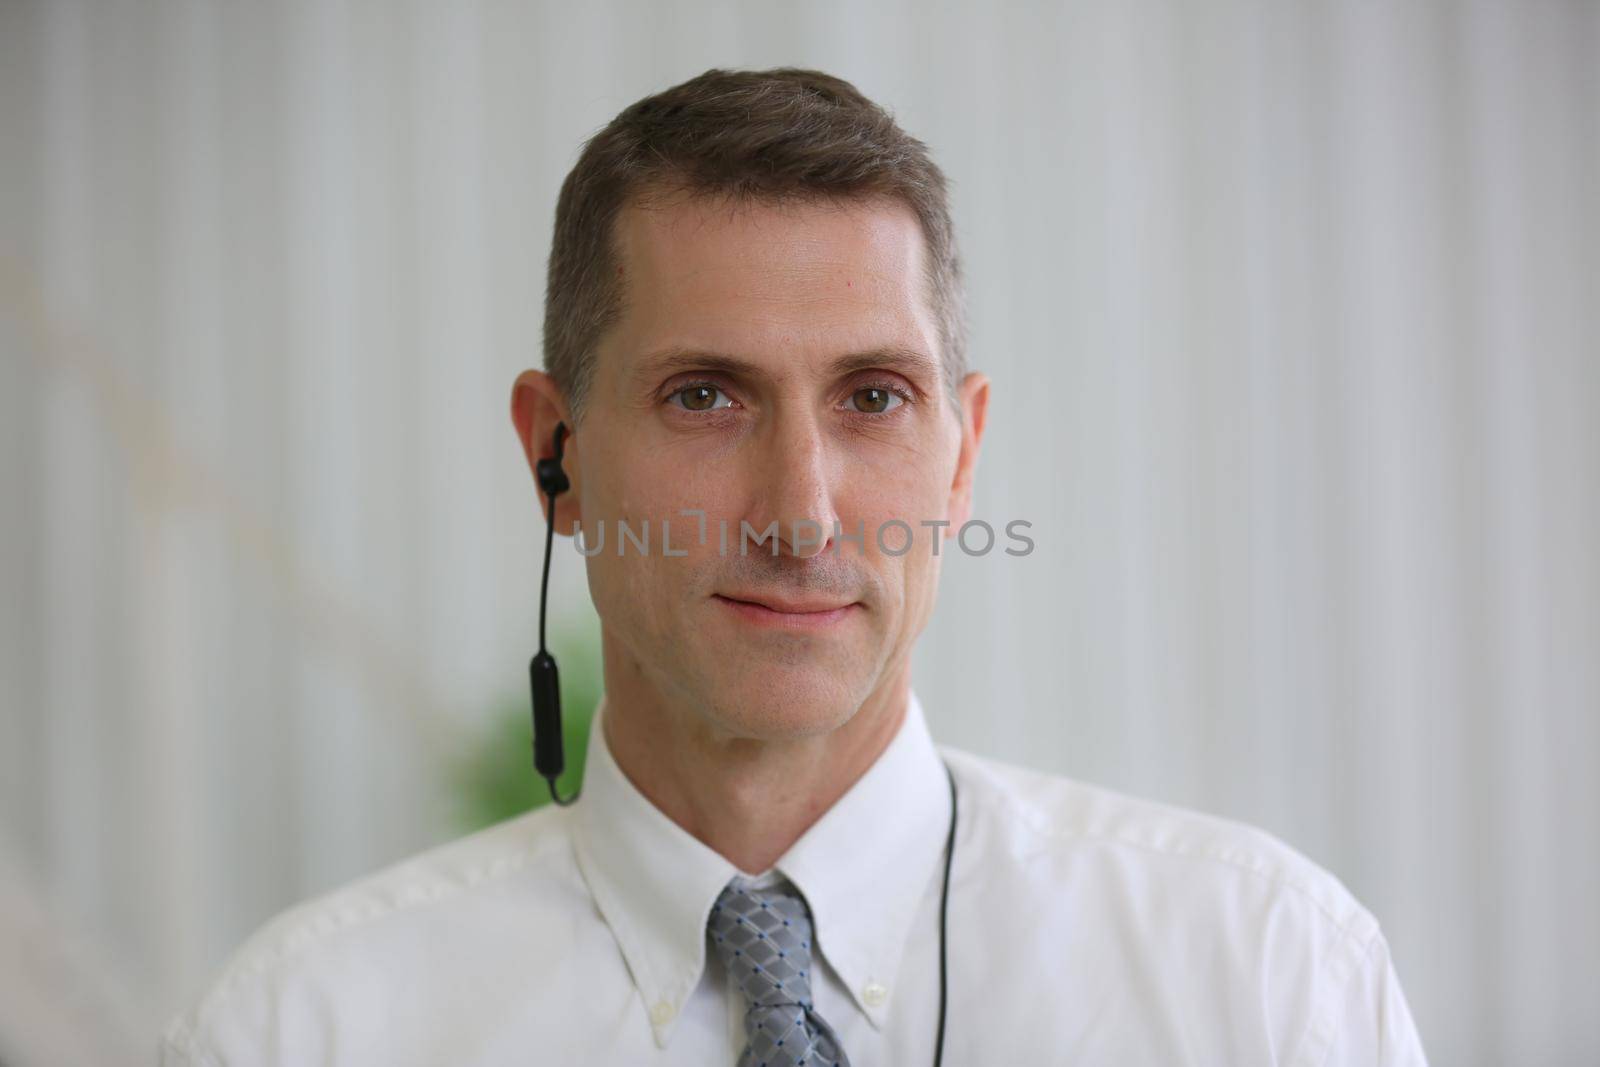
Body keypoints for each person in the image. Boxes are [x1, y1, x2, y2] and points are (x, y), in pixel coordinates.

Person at [161, 66, 1428, 1066]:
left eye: (873, 395)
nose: (801, 511)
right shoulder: (298, 1030)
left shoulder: (1264, 981)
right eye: (706, 395)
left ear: (962, 454)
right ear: (558, 454)